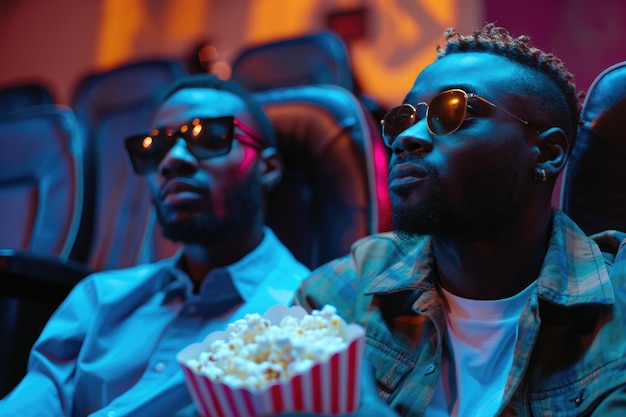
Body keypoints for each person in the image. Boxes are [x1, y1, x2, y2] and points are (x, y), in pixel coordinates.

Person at [295, 23, 626, 416]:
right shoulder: (343, 293)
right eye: (403, 119)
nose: (407, 138)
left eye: (453, 111)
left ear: (548, 153)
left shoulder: (617, 303)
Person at [0, 74, 310, 416]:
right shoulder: (98, 299)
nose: (171, 160)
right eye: (156, 148)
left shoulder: (302, 316)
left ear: (267, 168)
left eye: (209, 137)